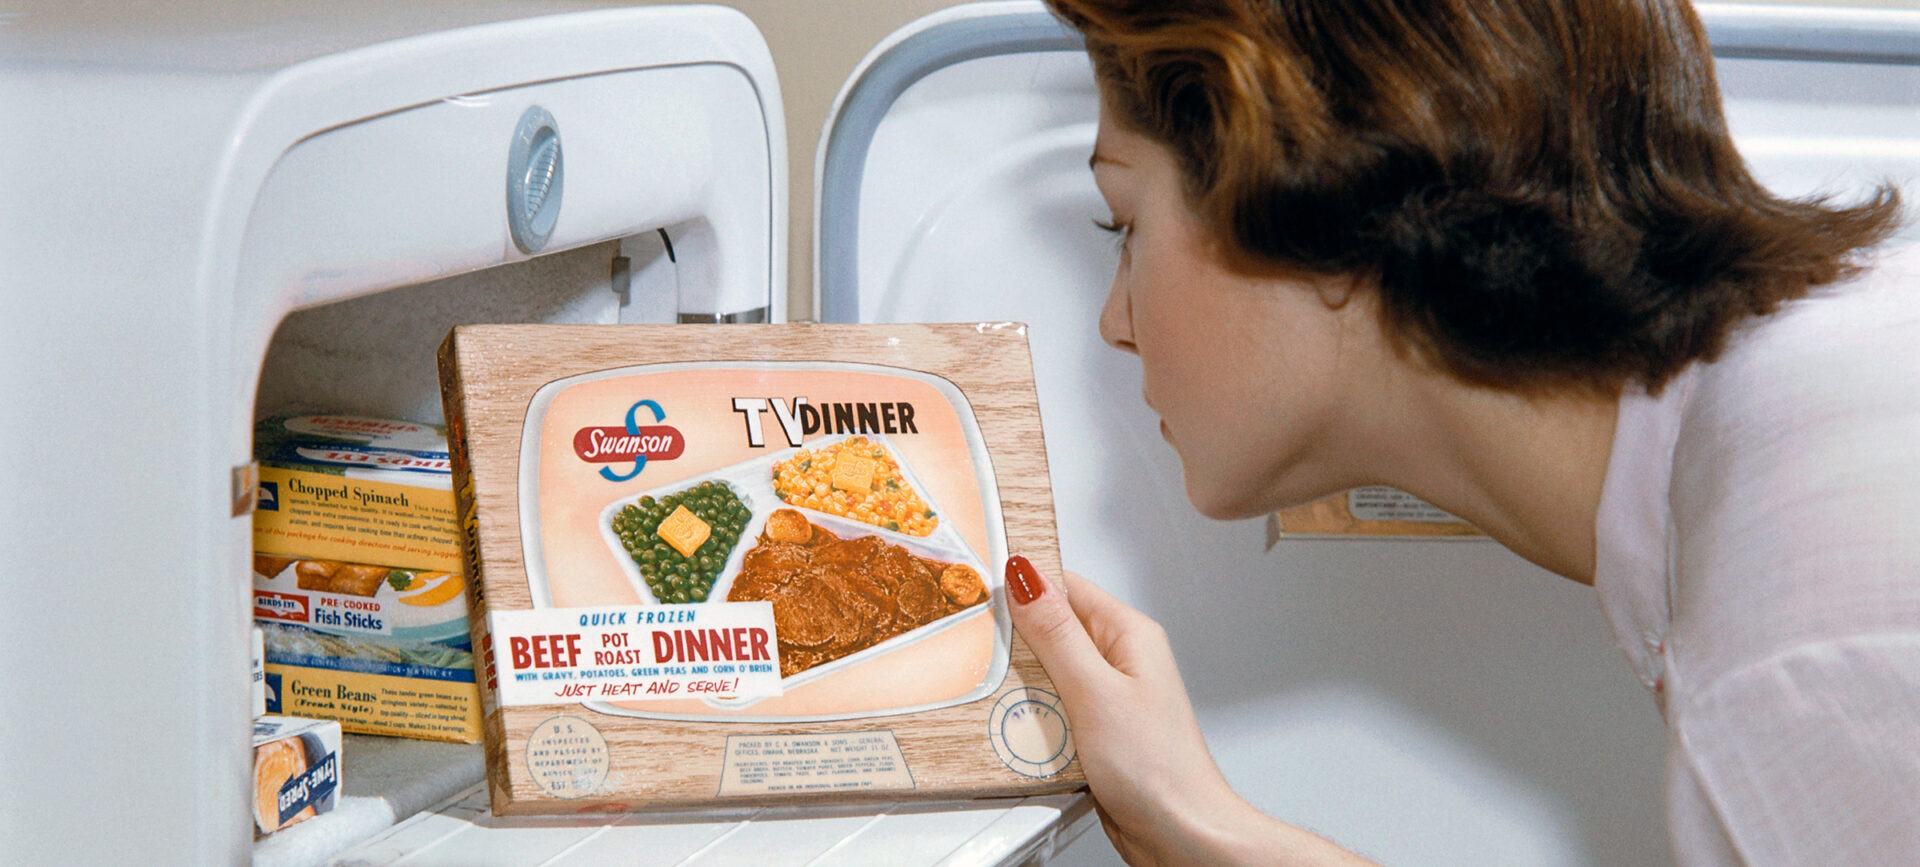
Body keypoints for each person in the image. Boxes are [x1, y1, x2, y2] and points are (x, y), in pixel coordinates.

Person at [1000, 0, 1920, 864]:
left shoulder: (1802, 643)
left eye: (1122, 223)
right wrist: (1202, 824)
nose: (1113, 322)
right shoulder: (1793, 438)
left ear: (1310, 183)